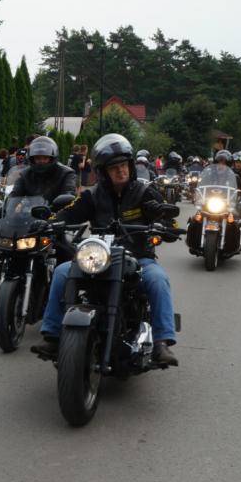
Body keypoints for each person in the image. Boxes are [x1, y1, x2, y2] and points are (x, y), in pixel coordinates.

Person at [30, 133, 179, 367]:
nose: (121, 171)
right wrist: (48, 223)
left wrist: (163, 220)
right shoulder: (92, 195)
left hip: (138, 257)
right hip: (98, 257)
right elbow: (69, 212)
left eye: (124, 165)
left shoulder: (145, 192)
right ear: (103, 172)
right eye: (114, 167)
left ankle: (161, 342)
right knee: (61, 272)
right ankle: (52, 335)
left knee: (158, 280)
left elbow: (171, 223)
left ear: (131, 165)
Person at [10, 136, 77, 201]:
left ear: (52, 158)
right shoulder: (25, 175)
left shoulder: (66, 174)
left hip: (58, 208)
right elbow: (14, 194)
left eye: (45, 158)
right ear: (32, 158)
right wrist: (9, 203)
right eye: (38, 158)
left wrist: (65, 197)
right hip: (31, 208)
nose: (41, 161)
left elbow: (69, 192)